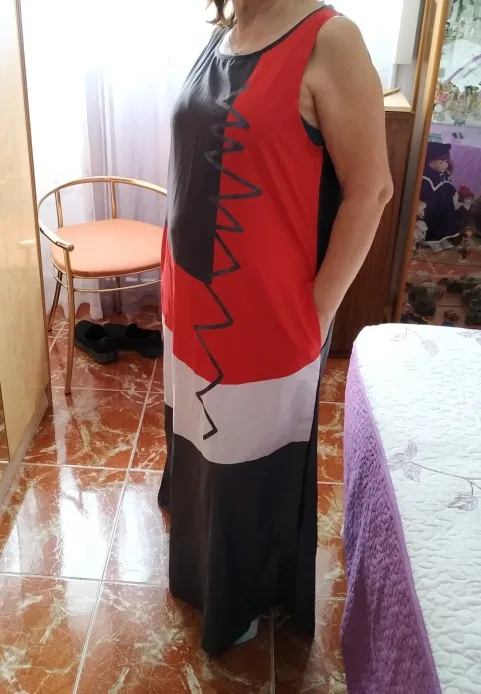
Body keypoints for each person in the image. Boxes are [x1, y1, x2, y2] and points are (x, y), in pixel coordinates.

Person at [158, 0, 392, 655]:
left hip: (265, 317)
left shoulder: (330, 40)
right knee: (201, 446)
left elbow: (370, 190)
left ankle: (241, 598)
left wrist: (318, 311)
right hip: (191, 301)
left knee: (248, 465)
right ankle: (202, 572)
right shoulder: (228, 30)